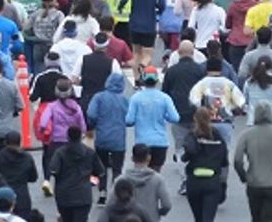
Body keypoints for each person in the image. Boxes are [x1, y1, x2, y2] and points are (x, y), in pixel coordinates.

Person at [233, 100, 272, 222]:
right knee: (270, 217)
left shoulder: (246, 135)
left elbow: (237, 160)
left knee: (256, 217)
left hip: (253, 183)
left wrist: (244, 177)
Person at [45, 125, 105, 222]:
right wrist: (92, 181)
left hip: (64, 195)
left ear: (67, 137)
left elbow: (53, 170)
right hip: (83, 195)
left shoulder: (60, 153)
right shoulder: (90, 152)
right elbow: (101, 171)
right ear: (81, 136)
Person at [86, 72, 130, 201]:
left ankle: (102, 192)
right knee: (117, 168)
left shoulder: (99, 97)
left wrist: (95, 124)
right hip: (118, 139)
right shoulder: (124, 100)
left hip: (102, 137)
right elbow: (128, 119)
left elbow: (91, 114)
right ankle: (116, 193)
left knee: (102, 166)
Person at [125, 66, 180, 169]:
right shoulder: (165, 98)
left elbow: (129, 121)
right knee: (155, 172)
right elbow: (175, 118)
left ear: (143, 80)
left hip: (142, 141)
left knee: (141, 172)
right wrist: (164, 115)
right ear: (157, 80)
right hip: (160, 141)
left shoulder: (136, 98)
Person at [119, 0, 166, 73]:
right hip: (149, 22)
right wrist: (158, 10)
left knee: (136, 53)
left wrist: (120, 7)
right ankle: (144, 67)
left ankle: (136, 78)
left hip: (134, 22)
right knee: (148, 54)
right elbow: (162, 4)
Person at [180, 106, 228, 222]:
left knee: (198, 218)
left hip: (194, 181)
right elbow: (224, 160)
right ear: (210, 118)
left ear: (195, 119)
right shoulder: (217, 136)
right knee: (208, 218)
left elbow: (185, 156)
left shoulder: (192, 135)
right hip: (212, 181)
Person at [120, 142, 172, 222]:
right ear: (149, 158)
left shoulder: (122, 180)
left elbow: (112, 203)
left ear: (132, 158)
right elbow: (167, 205)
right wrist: (158, 213)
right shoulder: (157, 179)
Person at [0, 133, 38, 217]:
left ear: (5, 142)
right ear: (19, 142)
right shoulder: (27, 157)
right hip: (22, 197)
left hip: (3, 196)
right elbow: (33, 177)